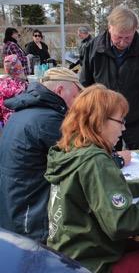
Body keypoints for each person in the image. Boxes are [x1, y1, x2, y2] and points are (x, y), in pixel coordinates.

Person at [45, 84, 139, 273]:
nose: (124, 128)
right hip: (90, 263)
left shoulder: (71, 150)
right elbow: (122, 223)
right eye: (120, 121)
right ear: (100, 121)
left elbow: (98, 189)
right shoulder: (96, 161)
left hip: (67, 253)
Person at [0, 67, 83, 242]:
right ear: (60, 90)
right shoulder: (48, 120)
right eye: (76, 95)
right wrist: (118, 159)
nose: (77, 103)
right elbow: (81, 163)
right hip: (31, 217)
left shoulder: (25, 111)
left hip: (13, 207)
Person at [80, 5, 139, 149]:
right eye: (118, 37)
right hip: (104, 120)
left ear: (135, 30)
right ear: (110, 27)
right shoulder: (94, 47)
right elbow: (85, 84)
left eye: (128, 38)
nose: (123, 42)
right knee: (107, 160)